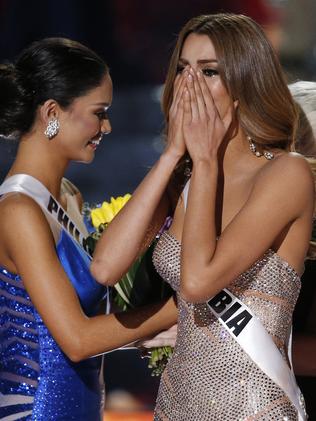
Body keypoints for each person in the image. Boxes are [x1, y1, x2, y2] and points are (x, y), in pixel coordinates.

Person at [91, 13, 314, 420]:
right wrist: (174, 154)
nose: (188, 85)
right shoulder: (186, 177)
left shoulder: (286, 173)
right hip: (176, 403)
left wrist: (207, 162)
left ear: (245, 82)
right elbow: (106, 267)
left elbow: (197, 283)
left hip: (251, 405)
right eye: (182, 70)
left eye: (208, 71)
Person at [0, 38, 178, 420]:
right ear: (52, 112)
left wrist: (144, 334)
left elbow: (72, 335)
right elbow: (78, 341)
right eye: (99, 112)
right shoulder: (17, 210)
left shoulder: (69, 196)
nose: (107, 126)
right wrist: (181, 306)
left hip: (83, 407)